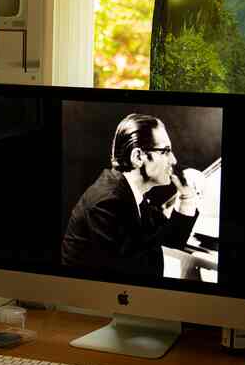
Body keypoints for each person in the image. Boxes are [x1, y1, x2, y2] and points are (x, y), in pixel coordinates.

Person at [61, 113, 203, 280]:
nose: (173, 160)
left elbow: (170, 241)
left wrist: (187, 197)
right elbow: (137, 272)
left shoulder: (130, 193)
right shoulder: (107, 203)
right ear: (137, 157)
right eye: (165, 151)